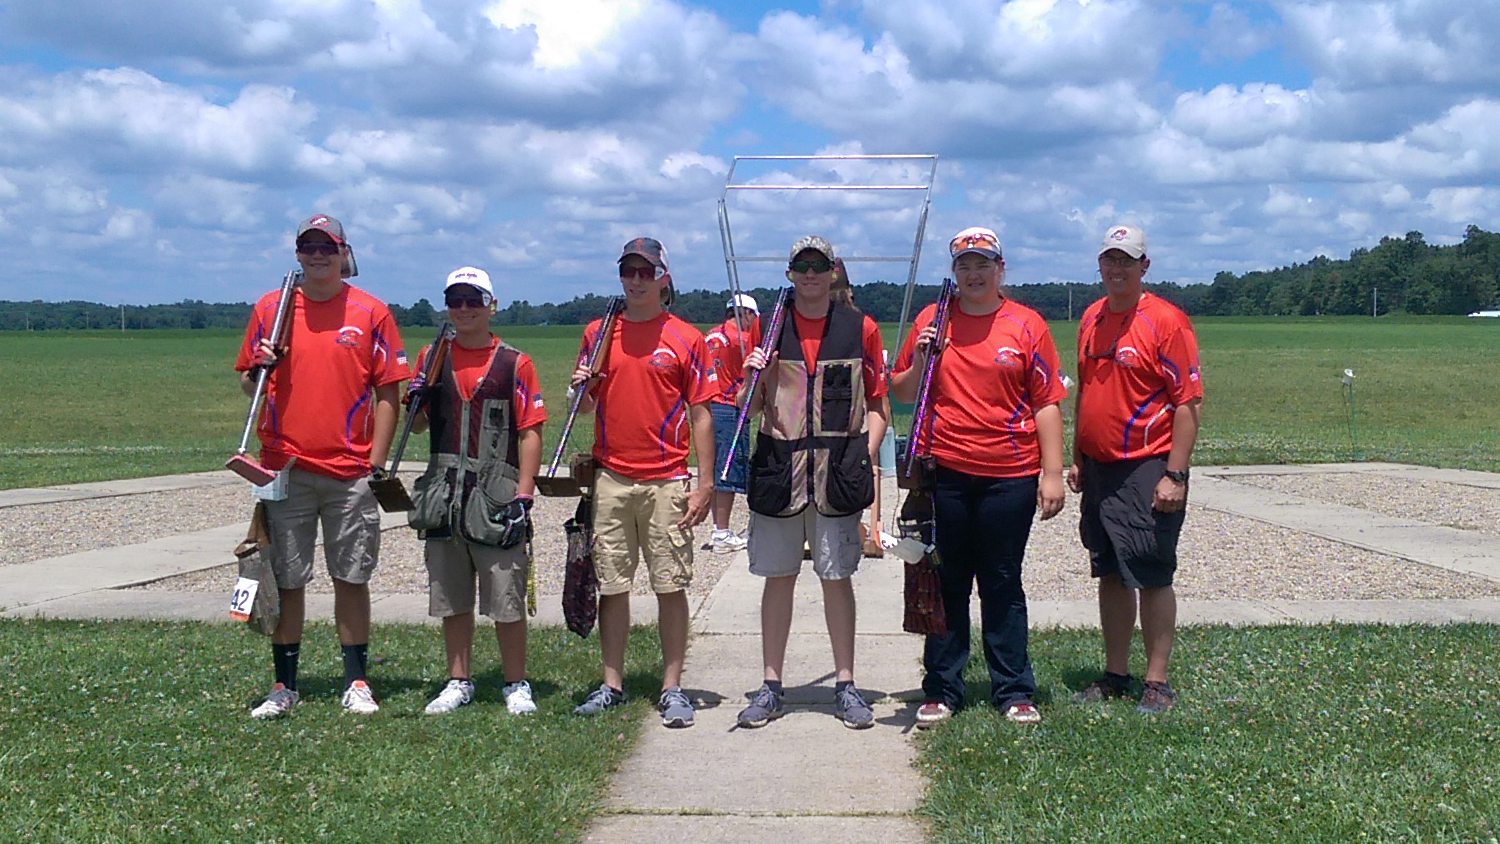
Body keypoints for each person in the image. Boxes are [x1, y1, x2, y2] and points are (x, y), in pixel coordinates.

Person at [889, 226, 1066, 727]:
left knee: (1002, 582)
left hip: (1008, 475)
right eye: (964, 265)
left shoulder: (1025, 325)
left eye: (983, 264)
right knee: (946, 582)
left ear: (1000, 268)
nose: (973, 273)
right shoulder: (933, 318)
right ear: (953, 272)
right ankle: (943, 687)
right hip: (942, 472)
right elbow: (901, 392)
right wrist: (923, 356)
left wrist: (1051, 472)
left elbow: (1046, 403)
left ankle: (1013, 689)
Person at [236, 214, 410, 719]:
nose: (318, 256)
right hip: (284, 468)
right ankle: (283, 684)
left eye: (327, 247)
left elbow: (387, 394)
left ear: (343, 253)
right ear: (297, 253)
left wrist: (373, 464)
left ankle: (355, 680)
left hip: (349, 472)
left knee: (351, 576)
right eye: (308, 247)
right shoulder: (272, 308)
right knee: (287, 578)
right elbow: (250, 386)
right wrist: (259, 367)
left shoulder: (370, 311)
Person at [734, 236, 889, 730]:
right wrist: (753, 376)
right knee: (778, 578)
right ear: (789, 273)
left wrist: (859, 455)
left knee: (836, 577)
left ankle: (846, 684)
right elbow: (746, 407)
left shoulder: (861, 328)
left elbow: (880, 406)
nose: (810, 275)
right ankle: (771, 684)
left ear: (833, 273)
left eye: (819, 266)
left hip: (837, 476)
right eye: (801, 266)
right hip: (780, 471)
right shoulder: (768, 328)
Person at [569, 237, 714, 728]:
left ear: (664, 279)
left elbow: (701, 414)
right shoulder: (598, 332)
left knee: (670, 584)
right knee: (612, 585)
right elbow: (584, 408)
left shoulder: (686, 338)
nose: (635, 281)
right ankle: (612, 683)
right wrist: (582, 388)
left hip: (668, 479)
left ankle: (672, 687)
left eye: (645, 273)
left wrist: (706, 483)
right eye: (628, 272)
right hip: (611, 475)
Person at [1067, 224, 1202, 715]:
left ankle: (1156, 681)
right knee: (1110, 573)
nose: (1116, 269)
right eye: (1109, 259)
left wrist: (1176, 474)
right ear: (1099, 265)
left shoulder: (1166, 322)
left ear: (1144, 266)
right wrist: (1077, 453)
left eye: (1127, 260)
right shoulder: (1090, 318)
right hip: (1100, 469)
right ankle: (1115, 673)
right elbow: (1086, 390)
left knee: (1151, 571)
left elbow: (1187, 402)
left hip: (1148, 465)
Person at [406, 267, 545, 716]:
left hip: (496, 495)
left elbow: (530, 432)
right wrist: (415, 395)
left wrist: (523, 495)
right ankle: (458, 680)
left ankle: (515, 682)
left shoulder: (514, 362)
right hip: (444, 495)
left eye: (473, 300)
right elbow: (419, 426)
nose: (463, 309)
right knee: (452, 596)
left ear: (491, 305)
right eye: (455, 300)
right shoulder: (430, 356)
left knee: (506, 597)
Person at [704, 293, 761, 554]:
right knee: (728, 471)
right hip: (730, 405)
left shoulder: (710, 336)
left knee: (716, 469)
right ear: (746, 314)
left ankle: (719, 528)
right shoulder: (745, 339)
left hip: (706, 407)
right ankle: (722, 533)